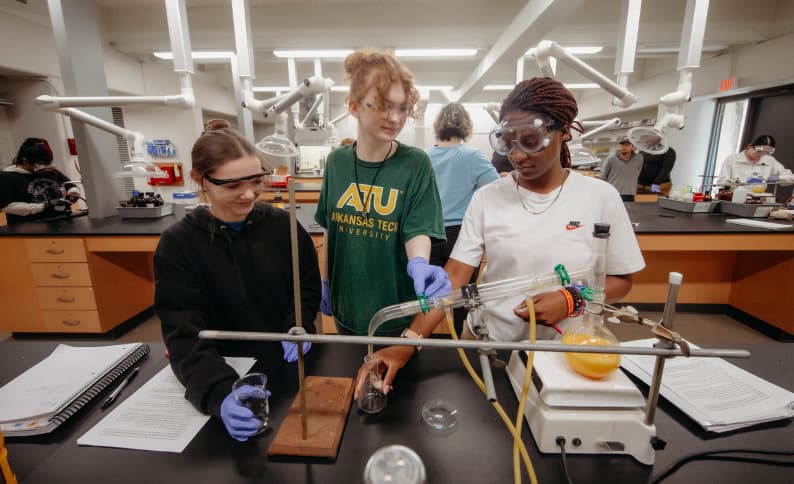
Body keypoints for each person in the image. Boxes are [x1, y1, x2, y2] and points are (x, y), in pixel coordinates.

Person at [359, 77, 645, 397]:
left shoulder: (600, 197)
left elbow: (621, 279)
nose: (519, 155)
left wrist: (571, 299)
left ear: (564, 131)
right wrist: (408, 343)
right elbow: (454, 279)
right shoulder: (487, 198)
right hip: (488, 348)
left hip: (563, 357)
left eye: (531, 140)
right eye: (508, 142)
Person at [153, 127, 321, 442]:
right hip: (223, 370)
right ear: (200, 179)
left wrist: (299, 324)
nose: (248, 194)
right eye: (233, 185)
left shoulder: (281, 225)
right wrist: (219, 392)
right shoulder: (178, 244)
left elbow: (307, 288)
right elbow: (183, 333)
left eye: (256, 181)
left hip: (289, 367)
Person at [314, 48, 450, 337]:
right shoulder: (337, 162)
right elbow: (330, 228)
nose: (395, 118)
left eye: (402, 108)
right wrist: (325, 281)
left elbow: (418, 229)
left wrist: (419, 263)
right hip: (346, 309)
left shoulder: (415, 163)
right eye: (383, 105)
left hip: (395, 312)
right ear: (354, 107)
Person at [427, 103, 498, 329]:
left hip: (428, 235)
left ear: (438, 126)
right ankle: (463, 350)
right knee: (463, 298)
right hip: (462, 235)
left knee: (428, 298)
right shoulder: (472, 156)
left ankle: (418, 343)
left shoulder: (423, 157)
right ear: (466, 126)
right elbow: (495, 188)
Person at [0, 137, 81, 224]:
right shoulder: (6, 177)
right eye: (39, 164)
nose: (44, 168)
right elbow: (5, 206)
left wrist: (73, 194)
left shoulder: (49, 171)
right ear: (25, 161)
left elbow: (71, 186)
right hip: (31, 228)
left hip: (63, 223)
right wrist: (43, 207)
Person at [717, 134, 793, 187]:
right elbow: (721, 182)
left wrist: (777, 179)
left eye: (765, 153)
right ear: (750, 146)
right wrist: (743, 182)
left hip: (759, 199)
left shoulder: (769, 160)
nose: (760, 155)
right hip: (734, 198)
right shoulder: (732, 160)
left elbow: (790, 177)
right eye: (759, 151)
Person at [600, 137, 643, 201]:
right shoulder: (611, 159)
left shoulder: (639, 158)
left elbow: (637, 173)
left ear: (633, 146)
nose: (623, 147)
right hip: (614, 193)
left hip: (630, 193)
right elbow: (603, 176)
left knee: (629, 211)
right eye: (622, 145)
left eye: (627, 145)